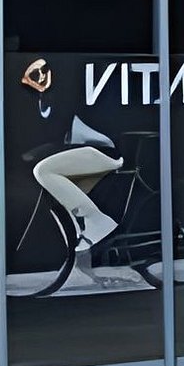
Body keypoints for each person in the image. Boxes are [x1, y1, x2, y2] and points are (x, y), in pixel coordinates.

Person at [19, 60, 123, 252]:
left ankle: (97, 220)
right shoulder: (47, 102)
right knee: (50, 188)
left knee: (43, 171)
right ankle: (79, 233)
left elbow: (60, 131)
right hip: (88, 150)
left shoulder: (63, 97)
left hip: (102, 151)